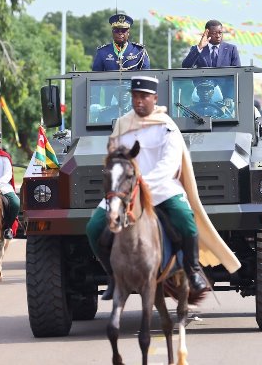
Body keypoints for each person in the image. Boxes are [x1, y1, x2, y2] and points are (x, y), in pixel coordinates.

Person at [86, 76, 240, 299]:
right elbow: (113, 159)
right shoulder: (122, 125)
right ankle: (113, 276)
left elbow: (169, 164)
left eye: (144, 97)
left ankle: (192, 270)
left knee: (186, 221)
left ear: (155, 98)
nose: (139, 101)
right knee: (93, 228)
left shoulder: (166, 126)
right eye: (135, 96)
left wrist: (143, 184)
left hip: (161, 189)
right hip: (125, 191)